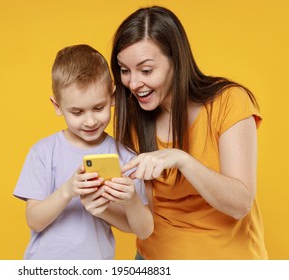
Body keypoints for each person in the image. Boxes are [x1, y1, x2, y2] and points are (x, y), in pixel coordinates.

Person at [110, 6, 268, 259]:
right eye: (124, 70)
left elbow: (240, 204)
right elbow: (144, 218)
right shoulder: (134, 116)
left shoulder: (229, 101)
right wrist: (99, 204)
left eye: (146, 70)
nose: (133, 83)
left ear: (176, 61)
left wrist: (182, 159)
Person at [13, 44, 153, 260]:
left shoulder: (125, 157)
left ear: (112, 97)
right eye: (77, 112)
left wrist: (131, 200)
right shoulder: (43, 152)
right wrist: (67, 190)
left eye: (98, 108)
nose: (90, 121)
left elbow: (143, 231)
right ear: (57, 105)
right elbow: (34, 220)